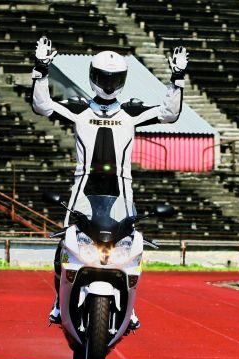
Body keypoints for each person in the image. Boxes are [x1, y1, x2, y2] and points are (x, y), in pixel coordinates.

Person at [30, 36, 188, 329]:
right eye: (104, 78)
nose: (109, 84)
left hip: (121, 193)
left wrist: (177, 78)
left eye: (114, 79)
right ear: (93, 77)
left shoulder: (130, 112)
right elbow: (42, 106)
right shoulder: (80, 109)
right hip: (83, 190)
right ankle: (58, 301)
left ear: (123, 80)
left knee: (129, 248)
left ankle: (130, 304)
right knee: (65, 245)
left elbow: (169, 114)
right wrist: (40, 70)